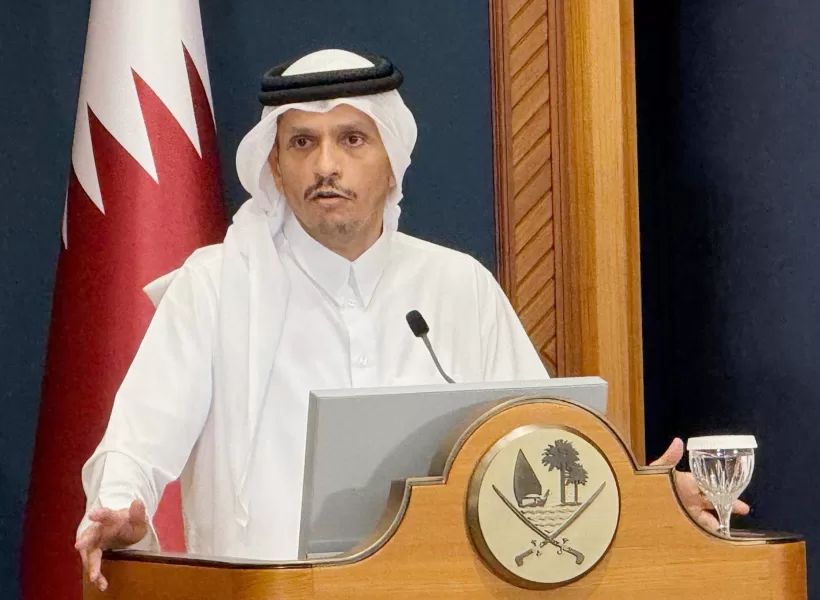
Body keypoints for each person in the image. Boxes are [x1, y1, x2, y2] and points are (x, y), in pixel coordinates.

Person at [74, 49, 747, 592]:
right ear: (273, 167)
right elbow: (133, 447)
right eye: (302, 142)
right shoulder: (215, 288)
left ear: (392, 158)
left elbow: (541, 445)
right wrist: (118, 510)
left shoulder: (457, 287)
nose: (326, 164)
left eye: (352, 139)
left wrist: (644, 500)